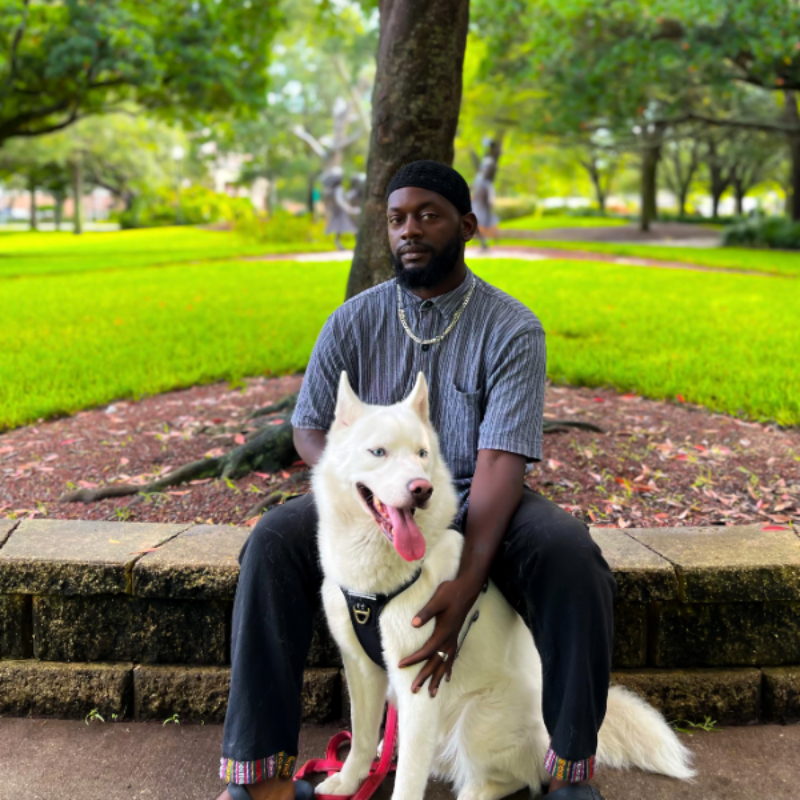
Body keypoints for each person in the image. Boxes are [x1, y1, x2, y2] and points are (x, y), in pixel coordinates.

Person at [217, 160, 616, 800]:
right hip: (376, 496)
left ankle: (571, 771)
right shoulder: (353, 320)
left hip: (479, 494)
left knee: (570, 555)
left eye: (428, 215)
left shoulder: (512, 328)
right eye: (397, 218)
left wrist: (465, 580)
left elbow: (502, 461)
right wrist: (363, 489)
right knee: (271, 542)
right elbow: (310, 428)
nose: (409, 230)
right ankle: (258, 774)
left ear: (467, 225)